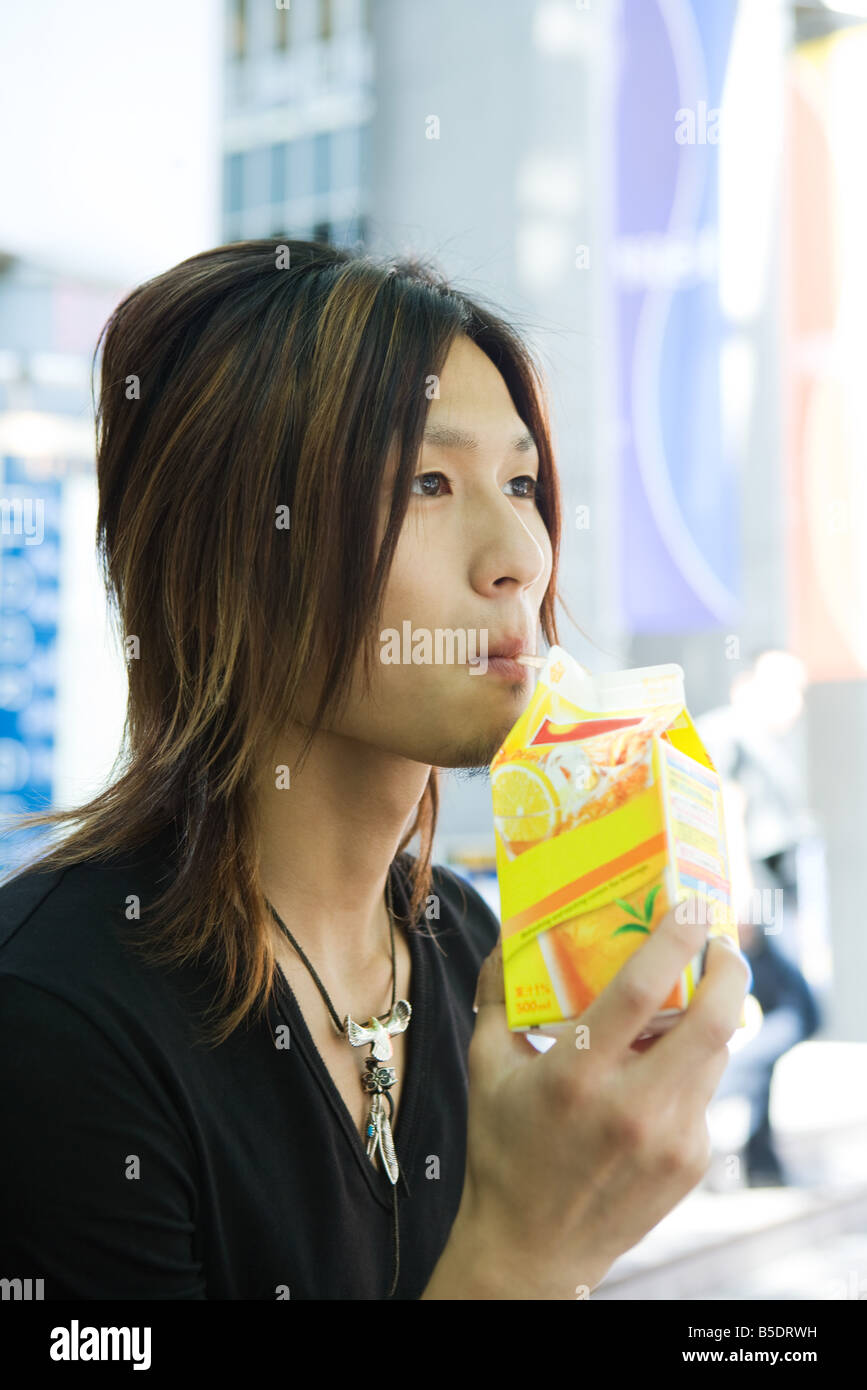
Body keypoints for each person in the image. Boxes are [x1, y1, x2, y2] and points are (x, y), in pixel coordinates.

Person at [0, 239, 749, 1300]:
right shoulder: (54, 1019)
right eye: (428, 481)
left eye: (525, 480)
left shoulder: (467, 950)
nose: (522, 555)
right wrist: (526, 1252)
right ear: (236, 550)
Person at [696, 651, 822, 1186]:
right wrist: (740, 907)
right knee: (802, 1010)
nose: (792, 704)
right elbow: (728, 812)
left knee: (774, 1014)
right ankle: (702, 1096)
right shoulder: (733, 734)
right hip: (750, 911)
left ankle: (760, 1154)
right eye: (780, 689)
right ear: (745, 685)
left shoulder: (768, 744)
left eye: (798, 692)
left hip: (771, 909)